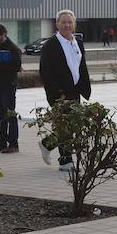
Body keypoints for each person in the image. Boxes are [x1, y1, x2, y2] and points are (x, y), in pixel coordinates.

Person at [39, 10, 91, 171]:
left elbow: (81, 66)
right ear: (57, 24)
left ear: (74, 24)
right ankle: (65, 161)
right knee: (65, 126)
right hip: (59, 93)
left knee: (72, 125)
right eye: (63, 22)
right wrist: (56, 92)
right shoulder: (51, 45)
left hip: (75, 90)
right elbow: (45, 72)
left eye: (70, 22)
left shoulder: (78, 43)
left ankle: (47, 144)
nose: (67, 25)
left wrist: (85, 87)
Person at [0, 24, 22, 153]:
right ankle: (1, 142)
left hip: (8, 85)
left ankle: (13, 143)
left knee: (10, 114)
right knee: (0, 114)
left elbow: (16, 67)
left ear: (4, 35)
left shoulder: (13, 49)